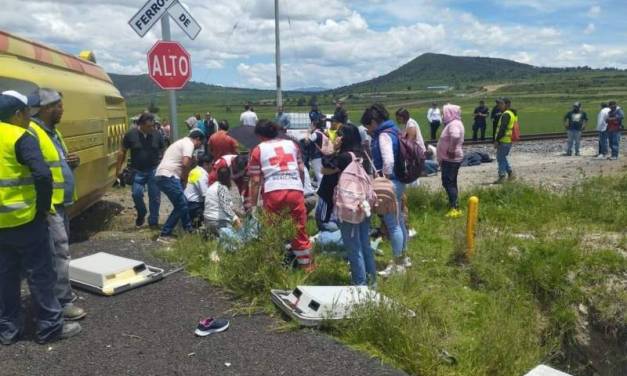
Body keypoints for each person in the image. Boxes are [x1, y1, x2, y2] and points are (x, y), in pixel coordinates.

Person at [0, 91, 81, 344]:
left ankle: (8, 330)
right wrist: (43, 208)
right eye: (25, 113)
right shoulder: (19, 135)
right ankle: (50, 328)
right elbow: (42, 175)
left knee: (6, 277)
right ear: (16, 115)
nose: (28, 117)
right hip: (26, 219)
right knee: (41, 273)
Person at [28, 89, 86, 321]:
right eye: (58, 105)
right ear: (44, 108)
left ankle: (59, 295)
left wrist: (72, 162)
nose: (62, 109)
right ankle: (61, 302)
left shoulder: (53, 133)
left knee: (60, 251)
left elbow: (57, 164)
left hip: (60, 203)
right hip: (49, 205)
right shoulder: (33, 133)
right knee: (58, 253)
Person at [247, 120, 314, 271]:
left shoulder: (258, 150)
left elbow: (256, 180)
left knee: (272, 231)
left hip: (273, 192)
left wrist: (253, 205)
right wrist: (299, 188)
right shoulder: (292, 145)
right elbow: (302, 170)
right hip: (294, 189)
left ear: (260, 135)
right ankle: (308, 269)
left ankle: (274, 269)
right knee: (299, 230)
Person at [361, 103, 409, 277]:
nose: (368, 129)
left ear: (374, 121)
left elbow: (388, 161)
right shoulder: (395, 131)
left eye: (369, 125)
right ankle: (403, 258)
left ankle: (397, 264)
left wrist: (383, 182)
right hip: (399, 181)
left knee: (392, 224)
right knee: (400, 222)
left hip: (390, 183)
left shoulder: (383, 136)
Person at [329, 124, 376, 286]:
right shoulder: (365, 153)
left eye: (339, 135)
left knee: (353, 246)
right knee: (365, 244)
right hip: (365, 202)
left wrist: (333, 149)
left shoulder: (344, 157)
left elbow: (325, 169)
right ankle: (372, 281)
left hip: (350, 205)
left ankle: (360, 284)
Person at [155, 129, 206, 242]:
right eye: (200, 144)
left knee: (181, 204)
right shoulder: (189, 144)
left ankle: (184, 230)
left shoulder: (181, 142)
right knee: (182, 204)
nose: (199, 147)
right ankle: (170, 233)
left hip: (163, 175)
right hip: (169, 175)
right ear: (197, 139)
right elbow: (185, 163)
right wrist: (184, 178)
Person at [115, 112, 165, 228]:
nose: (152, 128)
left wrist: (163, 166)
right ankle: (141, 212)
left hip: (153, 170)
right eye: (149, 126)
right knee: (136, 194)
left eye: (153, 125)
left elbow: (163, 150)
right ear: (141, 125)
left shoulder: (157, 135)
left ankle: (153, 222)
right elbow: (122, 151)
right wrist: (118, 170)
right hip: (137, 171)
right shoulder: (131, 135)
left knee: (155, 196)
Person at [436, 104, 465, 218]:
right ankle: (454, 204)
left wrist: (451, 149)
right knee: (451, 183)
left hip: (451, 159)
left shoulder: (454, 124)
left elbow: (455, 136)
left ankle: (455, 207)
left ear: (450, 113)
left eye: (444, 113)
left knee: (448, 182)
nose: (443, 115)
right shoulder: (454, 123)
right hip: (449, 159)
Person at [204, 167, 241, 235]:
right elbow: (226, 208)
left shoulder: (212, 187)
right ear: (228, 178)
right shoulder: (222, 188)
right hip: (218, 222)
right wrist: (236, 219)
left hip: (207, 221)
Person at [184, 155, 212, 227]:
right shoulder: (202, 174)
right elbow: (205, 195)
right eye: (212, 164)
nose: (212, 167)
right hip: (195, 205)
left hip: (186, 201)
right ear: (206, 164)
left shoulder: (194, 170)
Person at [494, 98, 518, 183]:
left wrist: (497, 140)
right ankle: (511, 174)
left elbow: (502, 129)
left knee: (500, 158)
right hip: (508, 140)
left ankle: (502, 176)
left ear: (507, 104)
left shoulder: (506, 114)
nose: (499, 106)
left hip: (504, 140)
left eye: (501, 104)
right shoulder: (511, 114)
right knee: (502, 157)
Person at [308, 119, 327, 183]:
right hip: (322, 155)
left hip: (316, 156)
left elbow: (306, 142)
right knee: (321, 173)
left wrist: (308, 132)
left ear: (314, 126)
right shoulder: (321, 132)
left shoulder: (315, 134)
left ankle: (320, 189)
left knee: (319, 174)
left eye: (311, 125)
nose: (310, 126)